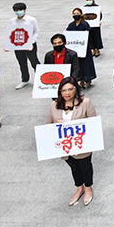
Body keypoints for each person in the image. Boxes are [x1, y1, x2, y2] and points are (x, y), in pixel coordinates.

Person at [44, 77, 97, 206]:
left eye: (70, 89)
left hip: (81, 145)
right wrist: (56, 124)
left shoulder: (85, 103)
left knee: (85, 166)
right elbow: (46, 125)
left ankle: (88, 187)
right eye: (64, 90)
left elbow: (93, 124)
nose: (67, 93)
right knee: (74, 167)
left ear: (75, 89)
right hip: (65, 147)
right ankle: (79, 188)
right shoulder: (54, 105)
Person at [10, 2, 40, 90]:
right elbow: (11, 33)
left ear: (25, 10)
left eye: (20, 10)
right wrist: (9, 45)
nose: (18, 12)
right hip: (18, 46)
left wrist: (32, 43)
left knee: (34, 62)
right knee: (22, 62)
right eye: (16, 10)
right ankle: (25, 79)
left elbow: (36, 32)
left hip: (30, 44)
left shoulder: (31, 20)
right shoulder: (12, 21)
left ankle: (40, 79)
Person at [67, 8, 96, 89]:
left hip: (84, 48)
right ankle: (81, 80)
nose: (76, 15)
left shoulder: (85, 24)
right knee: (77, 65)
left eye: (77, 13)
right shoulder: (71, 25)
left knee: (86, 64)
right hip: (75, 48)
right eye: (74, 13)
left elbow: (89, 35)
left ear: (81, 14)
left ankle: (88, 80)